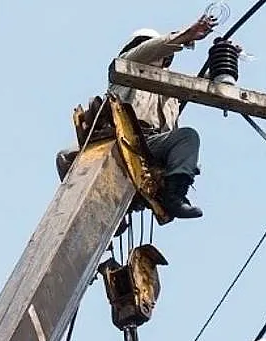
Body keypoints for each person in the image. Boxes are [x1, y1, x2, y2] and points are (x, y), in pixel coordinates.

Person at [56, 14, 225, 220]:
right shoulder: (126, 65)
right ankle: (93, 208)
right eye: (143, 45)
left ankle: (174, 197)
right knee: (66, 156)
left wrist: (224, 57)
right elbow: (152, 48)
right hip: (122, 139)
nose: (151, 52)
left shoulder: (171, 86)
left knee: (187, 137)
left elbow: (204, 84)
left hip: (153, 146)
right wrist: (186, 35)